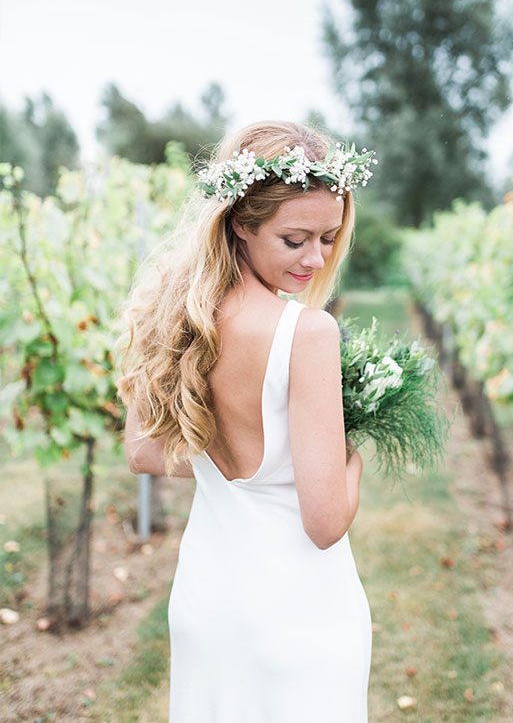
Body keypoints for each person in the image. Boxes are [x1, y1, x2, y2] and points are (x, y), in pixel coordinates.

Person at [116, 120, 373, 721]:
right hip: (298, 611)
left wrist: (222, 459)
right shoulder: (307, 334)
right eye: (294, 239)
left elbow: (142, 452)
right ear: (240, 224)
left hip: (208, 598)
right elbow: (326, 520)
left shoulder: (171, 318)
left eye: (330, 237)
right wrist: (349, 462)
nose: (316, 257)